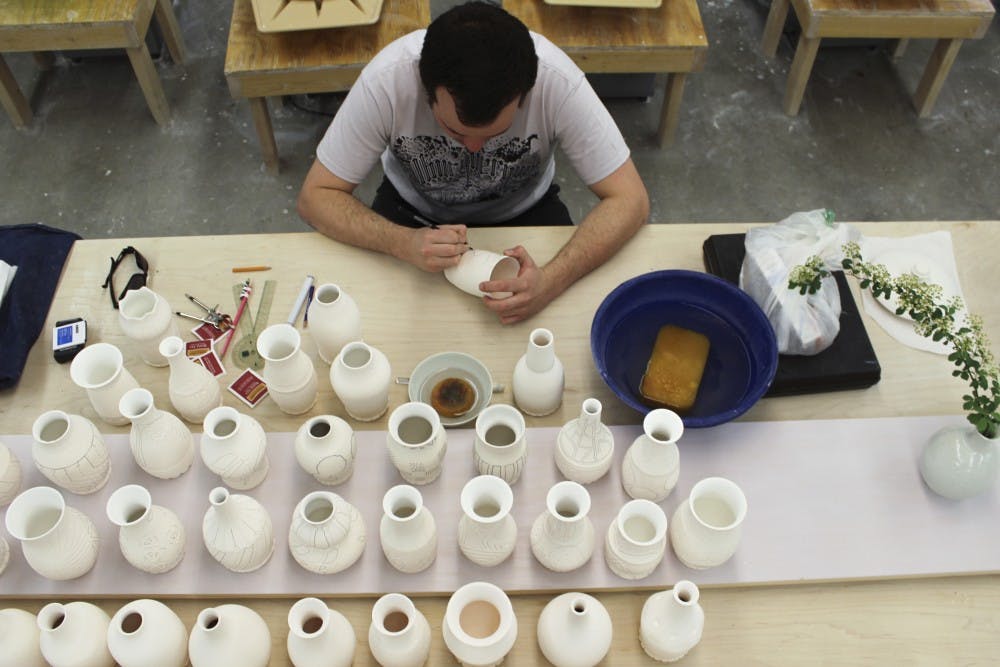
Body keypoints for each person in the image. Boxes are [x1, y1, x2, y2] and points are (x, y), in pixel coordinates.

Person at [297, 1, 649, 324]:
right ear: (425, 87)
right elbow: (316, 197)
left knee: (563, 321)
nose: (475, 150)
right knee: (382, 320)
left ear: (527, 93)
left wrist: (552, 280)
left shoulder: (557, 81)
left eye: (498, 133)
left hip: (526, 209)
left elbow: (631, 199)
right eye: (455, 132)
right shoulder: (388, 80)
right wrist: (400, 241)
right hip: (410, 212)